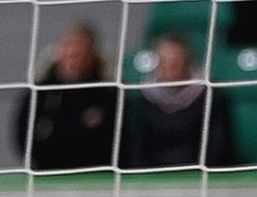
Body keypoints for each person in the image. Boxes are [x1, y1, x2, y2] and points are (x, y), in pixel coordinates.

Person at [14, 24, 118, 172]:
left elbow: (112, 137)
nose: (74, 58)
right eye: (70, 51)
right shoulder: (41, 90)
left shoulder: (109, 90)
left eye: (81, 53)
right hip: (48, 172)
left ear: (92, 55)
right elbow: (25, 135)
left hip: (97, 174)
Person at [122, 34, 233, 170]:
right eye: (164, 63)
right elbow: (136, 151)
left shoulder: (211, 98)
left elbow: (219, 148)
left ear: (187, 63)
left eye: (175, 63)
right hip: (152, 180)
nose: (169, 69)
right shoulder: (143, 102)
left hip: (198, 177)